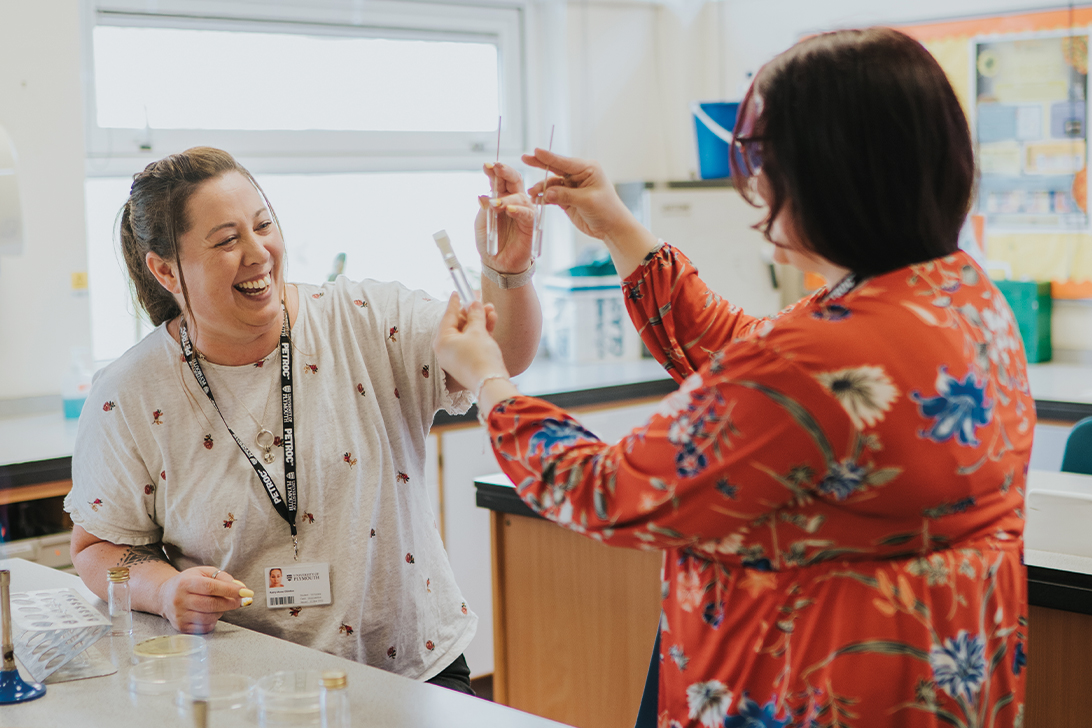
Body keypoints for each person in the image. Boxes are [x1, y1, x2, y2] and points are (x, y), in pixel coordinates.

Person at [434, 28, 1032, 725]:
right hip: (936, 683)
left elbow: (607, 490)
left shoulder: (815, 361)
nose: (753, 188)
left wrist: (488, 380)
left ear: (830, 176)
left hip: (816, 692)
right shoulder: (958, 296)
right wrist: (619, 226)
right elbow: (743, 355)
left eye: (763, 164)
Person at [65, 147, 541, 691]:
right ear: (166, 269)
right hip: (242, 688)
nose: (258, 253)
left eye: (263, 224)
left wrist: (508, 272)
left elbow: (499, 354)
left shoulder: (367, 322)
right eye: (226, 240)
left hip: (410, 670)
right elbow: (98, 549)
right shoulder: (127, 393)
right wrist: (164, 591)